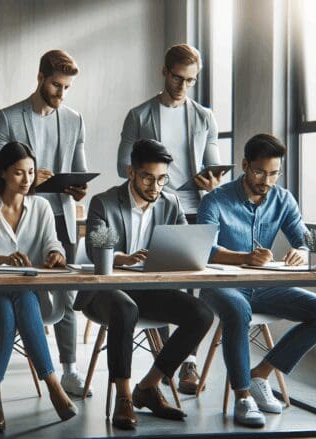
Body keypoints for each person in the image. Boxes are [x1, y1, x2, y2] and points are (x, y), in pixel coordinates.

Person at [198, 133, 316, 428]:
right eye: (260, 172)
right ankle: (242, 397)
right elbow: (205, 249)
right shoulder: (215, 200)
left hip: (264, 287)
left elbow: (305, 241)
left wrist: (302, 251)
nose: (267, 180)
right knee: (238, 309)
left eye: (274, 173)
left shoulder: (283, 199)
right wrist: (244, 257)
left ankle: (259, 375)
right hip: (220, 286)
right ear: (244, 165)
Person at [75, 139, 214, 430]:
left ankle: (149, 386)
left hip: (149, 289)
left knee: (201, 314)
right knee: (125, 308)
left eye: (162, 179)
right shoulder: (104, 202)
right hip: (105, 290)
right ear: (131, 172)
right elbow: (94, 247)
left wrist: (190, 254)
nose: (156, 186)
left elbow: (185, 244)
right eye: (148, 178)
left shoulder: (170, 202)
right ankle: (124, 396)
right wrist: (121, 258)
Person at [116, 43, 222, 393]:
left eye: (190, 80)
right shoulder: (139, 115)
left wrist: (213, 181)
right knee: (157, 279)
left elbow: (213, 164)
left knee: (192, 280)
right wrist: (151, 178)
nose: (182, 86)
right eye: (178, 78)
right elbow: (122, 165)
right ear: (164, 72)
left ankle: (188, 362)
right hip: (154, 205)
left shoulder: (204, 117)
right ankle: (164, 361)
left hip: (192, 206)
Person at [0, 49, 89, 396]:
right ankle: (9, 371)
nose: (62, 94)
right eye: (57, 85)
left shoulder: (74, 119)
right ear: (41, 78)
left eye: (67, 88)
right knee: (18, 288)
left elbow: (79, 169)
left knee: (65, 293)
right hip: (19, 217)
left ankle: (70, 369)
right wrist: (31, 182)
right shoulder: (9, 117)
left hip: (60, 215)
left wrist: (79, 187)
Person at [0, 141, 78, 433]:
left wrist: (56, 254)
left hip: (28, 295)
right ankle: (53, 384)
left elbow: (53, 243)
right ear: (3, 173)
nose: (27, 179)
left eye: (30, 172)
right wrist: (4, 259)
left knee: (10, 304)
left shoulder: (41, 207)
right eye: (19, 172)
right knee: (13, 296)